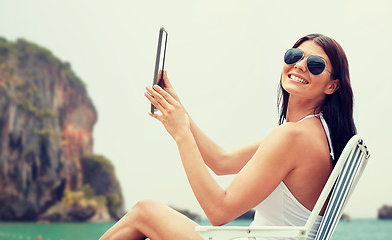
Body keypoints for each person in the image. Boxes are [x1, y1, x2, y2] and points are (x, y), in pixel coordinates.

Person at [99, 33, 356, 240]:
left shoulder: (293, 136)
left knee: (145, 211)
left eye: (315, 64)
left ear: (332, 85)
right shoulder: (312, 133)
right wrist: (180, 112)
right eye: (295, 55)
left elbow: (218, 211)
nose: (300, 65)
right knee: (145, 212)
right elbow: (221, 161)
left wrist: (180, 134)